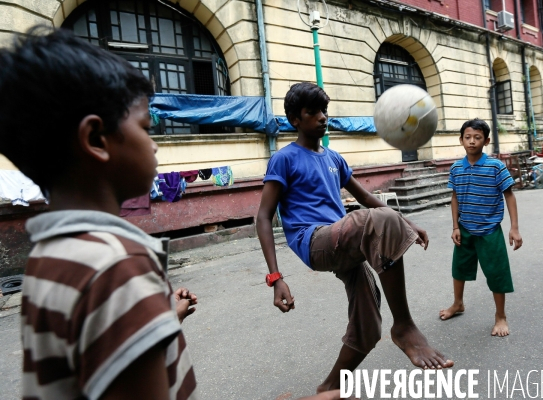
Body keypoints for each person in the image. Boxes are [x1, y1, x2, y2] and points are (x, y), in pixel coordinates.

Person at [0, 27, 343, 400]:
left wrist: (160, 316)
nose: (154, 145)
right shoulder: (117, 266)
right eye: (147, 129)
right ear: (97, 140)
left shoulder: (50, 258)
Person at [257, 82, 454, 394]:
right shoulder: (284, 159)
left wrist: (406, 221)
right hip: (315, 241)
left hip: (345, 239)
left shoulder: (334, 158)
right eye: (312, 112)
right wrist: (275, 277)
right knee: (381, 221)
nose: (322, 117)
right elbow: (263, 217)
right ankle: (403, 327)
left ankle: (328, 388)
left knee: (367, 326)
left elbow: (365, 197)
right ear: (295, 119)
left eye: (324, 111)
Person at [439, 118, 523, 337]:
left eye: (477, 138)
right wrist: (455, 226)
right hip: (465, 229)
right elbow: (455, 197)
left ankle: (501, 316)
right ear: (461, 140)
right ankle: (458, 304)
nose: (472, 142)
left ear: (486, 141)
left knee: (497, 273)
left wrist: (514, 228)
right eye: (468, 137)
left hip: (490, 231)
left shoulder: (495, 166)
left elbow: (509, 196)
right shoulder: (456, 168)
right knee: (459, 269)